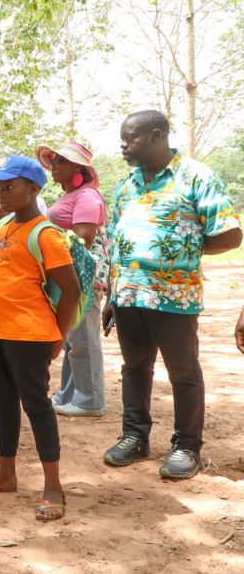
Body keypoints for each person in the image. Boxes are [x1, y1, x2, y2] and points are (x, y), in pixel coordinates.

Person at [103, 111, 241, 479]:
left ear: (156, 135)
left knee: (183, 372)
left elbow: (230, 235)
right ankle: (135, 436)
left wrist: (184, 252)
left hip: (174, 294)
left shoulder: (196, 177)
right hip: (128, 294)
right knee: (134, 368)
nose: (123, 146)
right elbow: (115, 240)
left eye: (130, 138)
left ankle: (187, 447)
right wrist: (111, 296)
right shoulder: (126, 185)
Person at [0, 156, 80, 523]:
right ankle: (5, 473)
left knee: (36, 405)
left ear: (33, 189)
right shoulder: (2, 225)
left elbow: (71, 290)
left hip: (28, 334)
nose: (1, 193)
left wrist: (59, 336)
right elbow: (5, 270)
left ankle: (53, 487)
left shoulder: (45, 234)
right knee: (2, 401)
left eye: (9, 186)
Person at [36, 142, 109, 417]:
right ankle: (70, 395)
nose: (53, 166)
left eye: (60, 161)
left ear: (78, 168)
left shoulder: (87, 195)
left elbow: (83, 239)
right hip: (69, 276)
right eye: (52, 161)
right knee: (72, 339)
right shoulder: (71, 194)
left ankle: (90, 401)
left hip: (82, 277)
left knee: (83, 340)